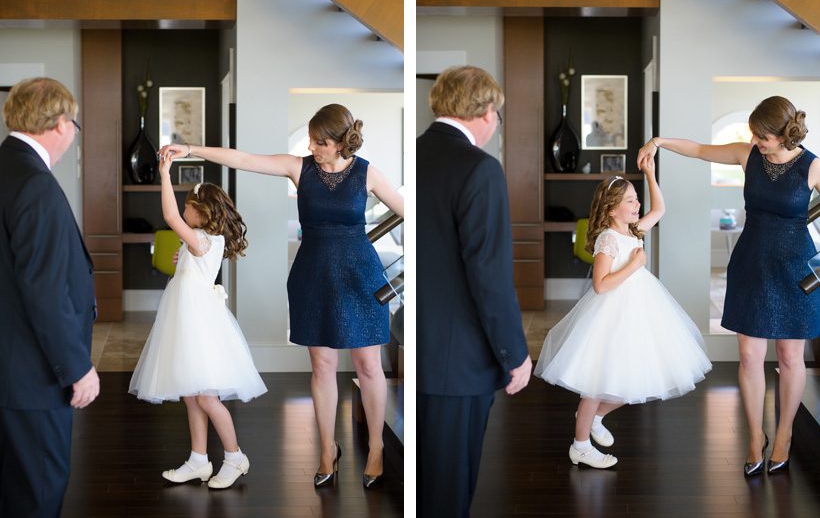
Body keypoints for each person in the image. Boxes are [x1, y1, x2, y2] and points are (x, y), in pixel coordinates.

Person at [159, 104, 404, 488]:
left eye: (319, 141)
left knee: (369, 366)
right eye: (310, 139)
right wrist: (190, 149)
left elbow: (413, 214)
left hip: (361, 277)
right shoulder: (299, 167)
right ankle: (327, 450)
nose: (311, 146)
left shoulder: (367, 172)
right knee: (322, 367)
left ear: (341, 142)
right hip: (312, 276)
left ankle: (375, 449)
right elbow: (242, 159)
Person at [637, 95, 820, 475]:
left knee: (789, 357)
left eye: (763, 137)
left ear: (785, 134)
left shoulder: (813, 166)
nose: (756, 142)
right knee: (750, 357)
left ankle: (783, 434)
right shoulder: (747, 154)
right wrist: (658, 142)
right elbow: (701, 149)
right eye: (753, 135)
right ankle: (756, 437)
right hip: (751, 263)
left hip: (795, 270)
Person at [534, 159, 712, 468]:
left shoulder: (634, 229)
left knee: (631, 382)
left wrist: (651, 175)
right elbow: (601, 287)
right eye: (630, 200)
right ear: (612, 209)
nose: (638, 204)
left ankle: (593, 416)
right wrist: (633, 266)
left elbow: (659, 210)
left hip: (641, 313)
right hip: (611, 315)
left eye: (636, 198)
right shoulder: (608, 239)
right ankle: (580, 445)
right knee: (599, 381)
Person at [417, 66, 532, 518]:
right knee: (449, 490)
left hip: (420, 349)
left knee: (426, 483)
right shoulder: (480, 169)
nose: (496, 124)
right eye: (498, 115)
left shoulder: (417, 154)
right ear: (486, 112)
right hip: (460, 362)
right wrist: (515, 354)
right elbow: (489, 275)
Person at [129, 156, 267, 489]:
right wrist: (183, 257)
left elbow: (168, 216)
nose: (184, 211)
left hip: (199, 324)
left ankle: (235, 456)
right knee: (191, 395)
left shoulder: (203, 239)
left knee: (206, 397)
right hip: (186, 319)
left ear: (202, 213)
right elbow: (189, 255)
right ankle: (198, 460)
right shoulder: (199, 239)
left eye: (189, 206)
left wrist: (164, 172)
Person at [0, 77, 100, 516]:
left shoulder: (7, 167)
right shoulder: (35, 183)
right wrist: (77, 367)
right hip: (30, 376)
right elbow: (44, 290)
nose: (74, 134)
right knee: (37, 495)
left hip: (8, 368)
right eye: (74, 123)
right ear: (61, 123)